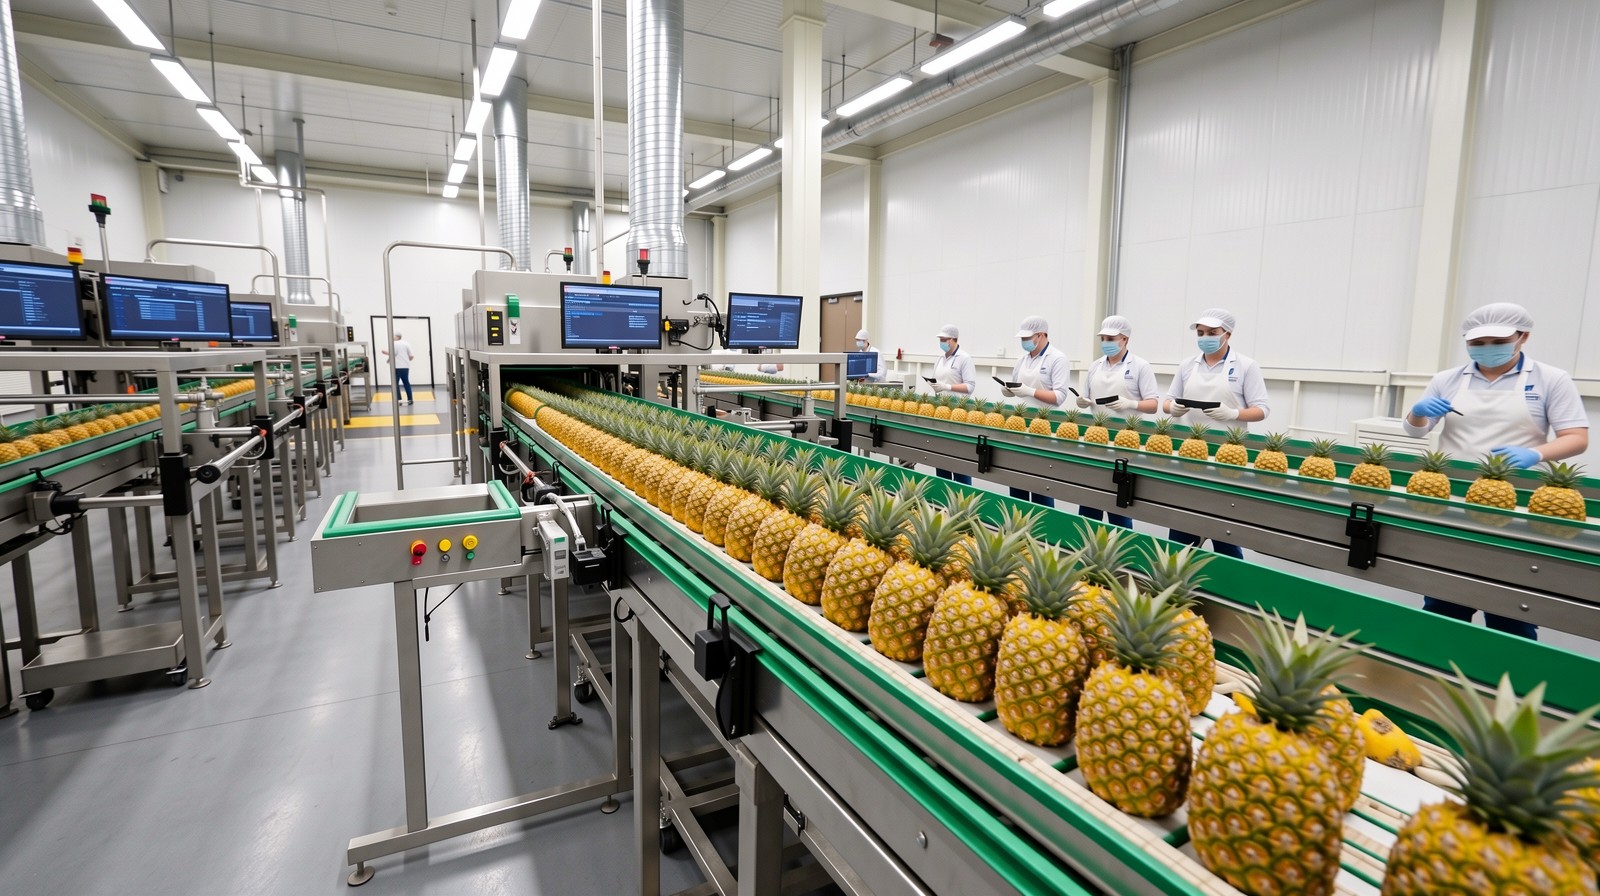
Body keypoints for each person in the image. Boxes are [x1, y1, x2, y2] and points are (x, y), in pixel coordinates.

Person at [1402, 302, 1589, 640]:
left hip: (1516, 503)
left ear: (1523, 337)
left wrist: (1534, 453)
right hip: (1454, 500)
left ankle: (1510, 677)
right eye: (1477, 343)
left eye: (1497, 341)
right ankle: (1436, 669)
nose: (1486, 349)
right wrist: (1417, 413)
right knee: (1445, 598)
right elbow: (1417, 431)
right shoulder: (1447, 379)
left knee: (1513, 606)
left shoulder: (1550, 379)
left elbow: (1576, 438)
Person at [1162, 308, 1271, 558]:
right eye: (1201, 333)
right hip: (1188, 452)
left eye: (1212, 332)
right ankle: (1179, 579)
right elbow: (1166, 402)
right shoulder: (1187, 365)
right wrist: (1173, 407)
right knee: (1182, 521)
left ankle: (1231, 584)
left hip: (1227, 457)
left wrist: (1234, 414)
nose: (1205, 337)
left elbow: (1262, 409)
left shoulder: (1245, 366)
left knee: (1224, 527)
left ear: (1227, 334)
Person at [1076, 315, 1159, 528]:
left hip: (1126, 442)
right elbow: (1086, 396)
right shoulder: (1095, 366)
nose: (1106, 343)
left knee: (1120, 503)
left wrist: (1131, 405)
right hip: (1096, 439)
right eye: (1103, 338)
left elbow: (1153, 404)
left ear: (1125, 339)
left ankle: (1122, 552)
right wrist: (1082, 402)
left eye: (1111, 338)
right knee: (1089, 499)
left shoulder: (1140, 366)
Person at [1000, 316, 1071, 507]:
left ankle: (1043, 531)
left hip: (1044, 427)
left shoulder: (1058, 359)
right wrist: (1008, 390)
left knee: (1041, 484)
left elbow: (1059, 396)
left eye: (1027, 338)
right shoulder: (1022, 360)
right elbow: (1015, 386)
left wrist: (1030, 391)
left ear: (1040, 335)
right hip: (1020, 425)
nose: (1024, 342)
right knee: (1017, 480)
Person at [930, 324, 977, 485]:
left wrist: (947, 387)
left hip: (958, 413)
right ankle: (942, 493)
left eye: (944, 339)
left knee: (958, 459)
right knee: (941, 456)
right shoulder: (940, 359)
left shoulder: (964, 358)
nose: (942, 342)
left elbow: (970, 386)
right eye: (940, 339)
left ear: (954, 340)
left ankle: (963, 493)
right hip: (941, 411)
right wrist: (936, 386)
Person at [382, 332, 417, 405]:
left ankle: (398, 400)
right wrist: (406, 361)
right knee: (406, 383)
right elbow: (411, 356)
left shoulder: (393, 344)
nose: (392, 337)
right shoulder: (406, 343)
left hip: (396, 367)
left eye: (393, 336)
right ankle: (410, 399)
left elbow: (393, 354)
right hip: (405, 367)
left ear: (397, 336)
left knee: (395, 384)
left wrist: (387, 354)